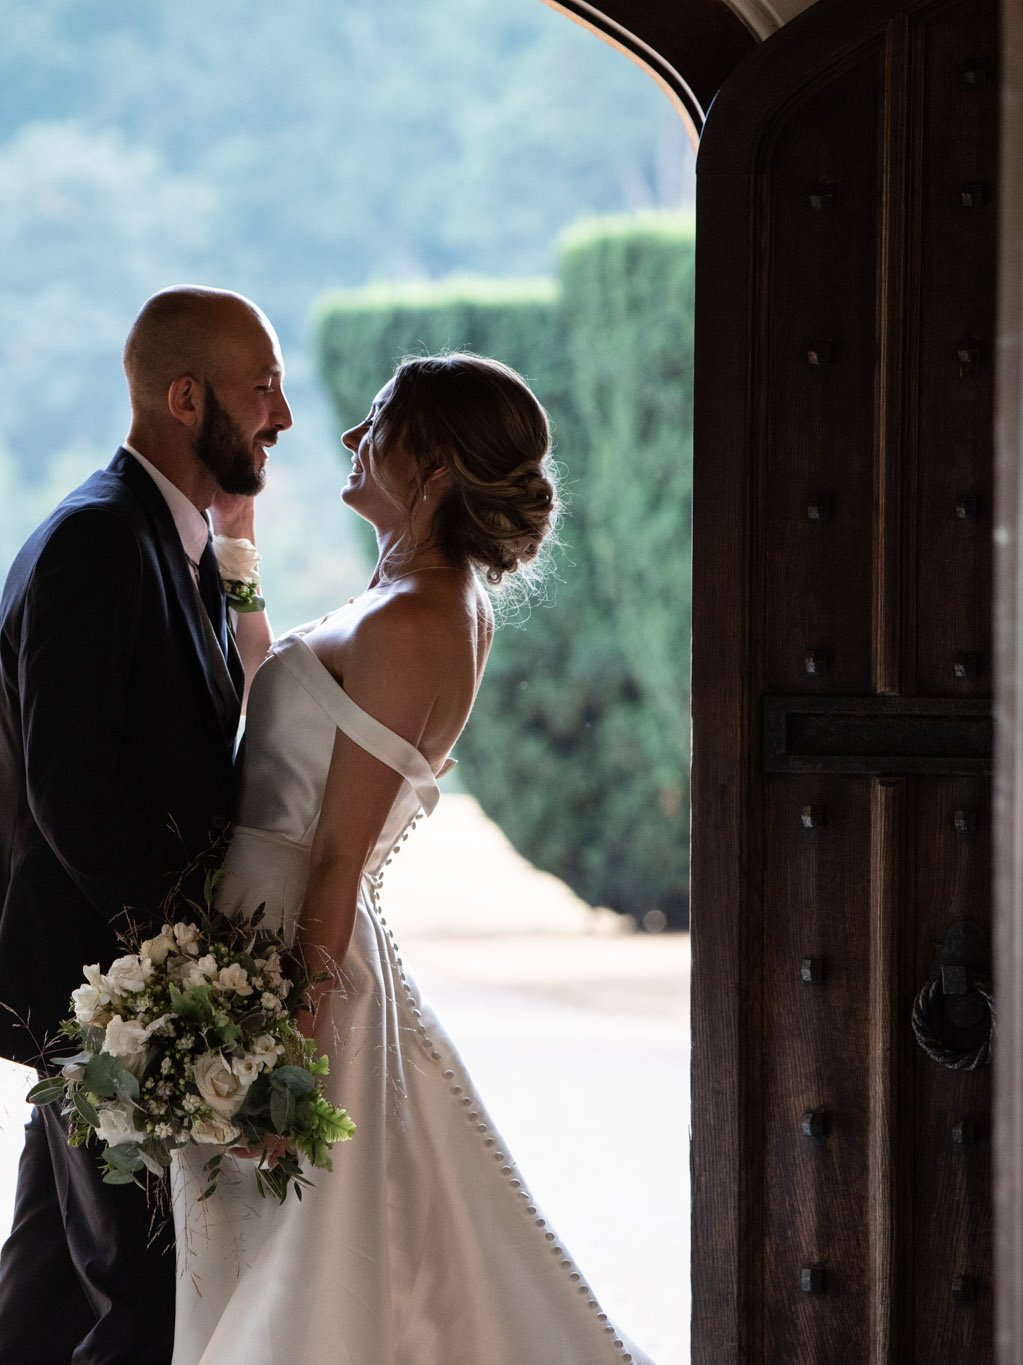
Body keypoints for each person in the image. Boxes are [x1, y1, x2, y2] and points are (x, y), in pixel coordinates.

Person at [170, 353, 652, 1364]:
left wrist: (289, 1054)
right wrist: (238, 551)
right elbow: (271, 704)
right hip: (258, 943)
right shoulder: (397, 591)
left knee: (303, 1278)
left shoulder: (422, 616)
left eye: (377, 420)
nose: (350, 438)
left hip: (300, 965)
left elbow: (339, 856)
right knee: (245, 1261)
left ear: (429, 464)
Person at [0, 286, 291, 1365]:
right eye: (260, 389)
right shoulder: (96, 540)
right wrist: (182, 974)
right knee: (136, 1302)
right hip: (102, 991)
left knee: (50, 1293)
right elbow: (72, 791)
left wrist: (236, 557)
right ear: (185, 399)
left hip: (108, 987)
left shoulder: (168, 539)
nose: (280, 417)